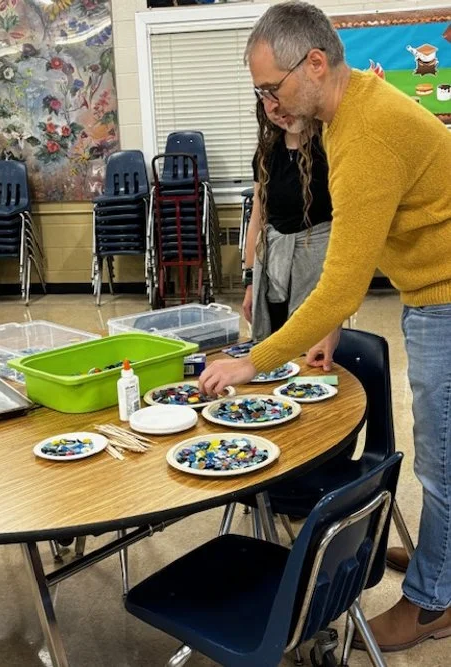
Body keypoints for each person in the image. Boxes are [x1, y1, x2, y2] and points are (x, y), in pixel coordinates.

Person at [199, 0, 451, 653]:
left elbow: (338, 282)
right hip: (430, 290)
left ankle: (433, 601)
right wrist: (337, 321)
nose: (269, 105)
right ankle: (439, 563)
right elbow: (361, 243)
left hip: (445, 297)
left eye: (272, 88)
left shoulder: (362, 128)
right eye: (258, 92)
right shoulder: (347, 111)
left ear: (315, 63)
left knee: (442, 459)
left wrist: (254, 359)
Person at [243, 100, 332, 341]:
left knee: (310, 343)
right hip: (273, 265)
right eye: (267, 102)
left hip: (316, 265)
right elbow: (258, 219)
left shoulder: (329, 146)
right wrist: (250, 283)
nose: (275, 110)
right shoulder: (266, 153)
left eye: (280, 99)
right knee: (275, 342)